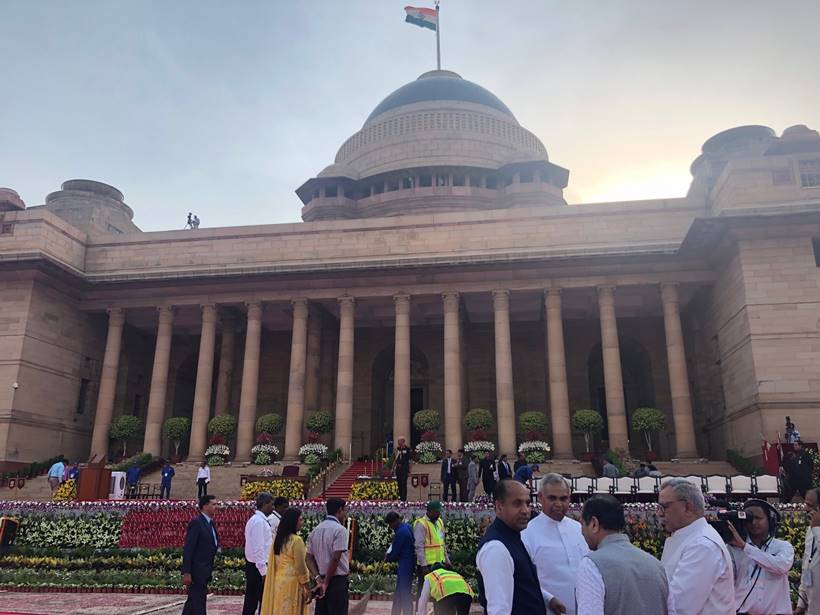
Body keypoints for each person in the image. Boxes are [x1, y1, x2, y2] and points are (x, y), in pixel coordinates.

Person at [576, 495, 668, 615]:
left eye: (582, 524)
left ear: (594, 524)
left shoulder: (592, 565)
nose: (581, 532)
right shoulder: (656, 565)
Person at [658, 477, 734, 615]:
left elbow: (680, 607)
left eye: (664, 507)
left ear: (688, 507)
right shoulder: (686, 537)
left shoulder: (702, 546)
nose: (659, 514)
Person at [476, 479, 552, 615]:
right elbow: (499, 609)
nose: (525, 510)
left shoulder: (513, 537)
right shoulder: (496, 548)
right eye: (517, 504)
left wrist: (548, 599)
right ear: (499, 507)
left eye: (528, 503)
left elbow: (520, 584)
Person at [522, 473, 588, 615]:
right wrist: (548, 598)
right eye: (552, 498)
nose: (558, 504)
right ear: (540, 498)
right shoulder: (527, 534)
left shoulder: (579, 529)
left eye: (563, 498)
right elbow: (523, 579)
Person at [726, 498, 793, 615]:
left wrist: (745, 547)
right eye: (749, 519)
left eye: (758, 518)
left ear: (770, 521)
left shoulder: (783, 546)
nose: (753, 523)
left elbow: (781, 566)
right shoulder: (733, 549)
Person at [260, 506, 311, 615]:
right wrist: (307, 586)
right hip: (293, 583)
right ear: (294, 521)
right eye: (300, 519)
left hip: (278, 582)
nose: (303, 522)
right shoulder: (297, 540)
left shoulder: (278, 539)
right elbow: (300, 567)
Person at [306, 498, 349, 615]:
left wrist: (318, 578)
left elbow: (308, 557)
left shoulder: (316, 530)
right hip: (336, 581)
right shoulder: (340, 530)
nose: (346, 514)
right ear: (340, 510)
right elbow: (336, 558)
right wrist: (326, 582)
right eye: (345, 510)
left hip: (322, 579)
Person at [181, 495, 219, 615]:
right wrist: (186, 572)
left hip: (205, 569)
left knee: (193, 602)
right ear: (205, 506)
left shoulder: (210, 523)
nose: (216, 507)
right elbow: (189, 548)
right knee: (198, 603)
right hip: (197, 570)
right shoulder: (197, 523)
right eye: (213, 504)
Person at [243, 492, 275, 615]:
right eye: (271, 505)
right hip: (257, 567)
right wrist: (264, 571)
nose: (273, 508)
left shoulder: (258, 520)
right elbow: (258, 548)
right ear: (264, 504)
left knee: (253, 600)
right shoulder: (258, 522)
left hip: (256, 565)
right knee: (260, 600)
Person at [414, 500, 449, 597]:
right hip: (427, 566)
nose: (438, 514)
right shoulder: (421, 524)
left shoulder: (440, 522)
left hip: (439, 564)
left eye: (439, 512)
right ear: (429, 511)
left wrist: (447, 560)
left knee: (439, 591)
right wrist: (423, 565)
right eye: (436, 512)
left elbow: (442, 543)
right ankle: (419, 611)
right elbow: (419, 546)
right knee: (422, 592)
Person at [796, 487, 820, 615]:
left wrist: (817, 529)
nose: (806, 509)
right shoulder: (811, 529)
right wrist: (801, 603)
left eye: (811, 505)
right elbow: (806, 565)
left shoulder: (814, 529)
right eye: (806, 504)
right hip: (810, 608)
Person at [385, 511, 415, 615]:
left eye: (390, 524)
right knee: (399, 591)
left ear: (394, 522)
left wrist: (388, 557)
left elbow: (395, 552)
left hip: (405, 563)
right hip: (409, 562)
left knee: (405, 591)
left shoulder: (400, 533)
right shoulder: (406, 527)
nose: (390, 527)